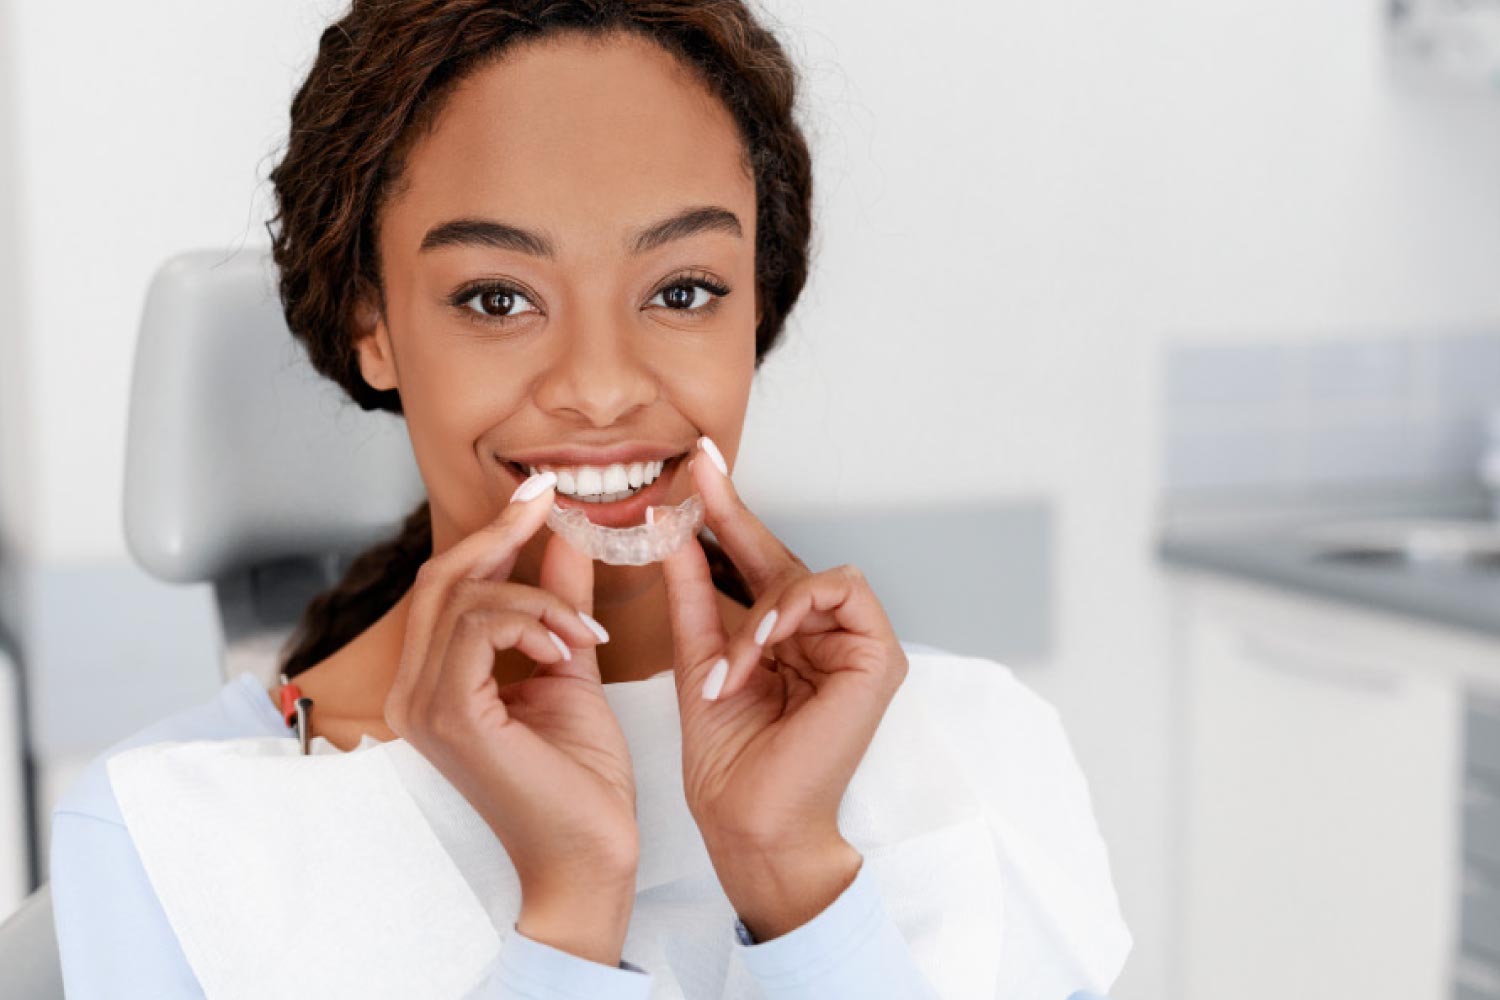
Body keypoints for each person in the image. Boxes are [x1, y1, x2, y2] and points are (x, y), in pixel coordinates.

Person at [47, 1, 1129, 997]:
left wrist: (794, 875)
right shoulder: (174, 842)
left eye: (683, 290)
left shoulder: (975, 754)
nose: (603, 388)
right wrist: (569, 911)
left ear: (755, 306)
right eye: (498, 298)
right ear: (372, 323)